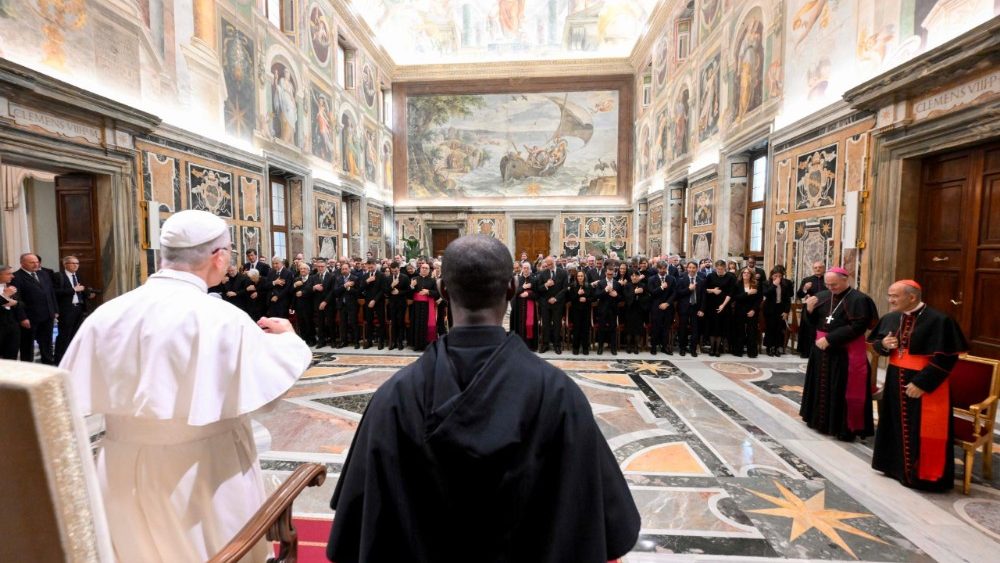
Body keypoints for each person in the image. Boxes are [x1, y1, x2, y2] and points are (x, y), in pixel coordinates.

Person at [326, 235, 640, 562]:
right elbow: (615, 530)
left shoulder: (393, 398)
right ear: (512, 289)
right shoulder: (560, 395)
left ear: (443, 291)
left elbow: (353, 534)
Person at [60, 209, 311, 562]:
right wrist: (289, 340)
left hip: (119, 470)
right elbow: (266, 397)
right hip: (204, 473)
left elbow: (72, 397)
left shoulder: (106, 314)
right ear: (218, 256)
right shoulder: (221, 318)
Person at [868, 280, 967, 491]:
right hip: (894, 380)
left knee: (920, 429)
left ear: (912, 297)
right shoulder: (891, 318)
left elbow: (947, 358)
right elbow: (875, 346)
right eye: (889, 295)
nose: (890, 300)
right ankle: (894, 468)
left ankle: (921, 476)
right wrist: (883, 344)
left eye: (895, 296)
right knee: (893, 424)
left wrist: (922, 383)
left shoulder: (940, 320)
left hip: (925, 383)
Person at [800, 267, 879, 441]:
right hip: (821, 352)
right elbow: (812, 322)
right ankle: (819, 422)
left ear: (845, 279)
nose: (830, 288)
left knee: (840, 389)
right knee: (820, 386)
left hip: (844, 353)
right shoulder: (822, 296)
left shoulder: (859, 300)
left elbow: (859, 326)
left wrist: (831, 339)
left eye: (834, 284)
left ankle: (842, 427)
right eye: (827, 284)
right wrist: (809, 310)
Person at [12, 252, 58, 364]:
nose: (36, 264)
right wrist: (22, 318)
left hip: (47, 315)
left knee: (47, 342)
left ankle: (48, 364)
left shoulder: (43, 274)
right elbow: (17, 299)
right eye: (32, 262)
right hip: (30, 317)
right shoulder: (16, 277)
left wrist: (55, 310)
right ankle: (27, 366)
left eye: (37, 262)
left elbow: (51, 293)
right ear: (22, 263)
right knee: (27, 344)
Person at [53, 255, 94, 363]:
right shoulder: (58, 276)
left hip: (79, 308)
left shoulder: (78, 275)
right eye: (73, 263)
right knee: (64, 335)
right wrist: (73, 290)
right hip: (66, 310)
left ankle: (73, 359)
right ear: (65, 264)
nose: (76, 265)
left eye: (77, 263)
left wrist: (87, 294)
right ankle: (60, 359)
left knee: (75, 335)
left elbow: (82, 289)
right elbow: (55, 292)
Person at [702, 260, 735, 357]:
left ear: (725, 268)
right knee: (712, 327)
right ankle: (712, 348)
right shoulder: (710, 276)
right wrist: (713, 290)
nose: (719, 271)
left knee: (720, 327)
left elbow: (730, 293)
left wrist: (723, 305)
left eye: (721, 269)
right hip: (711, 305)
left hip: (724, 305)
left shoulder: (730, 277)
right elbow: (703, 289)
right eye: (718, 269)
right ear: (715, 268)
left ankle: (717, 349)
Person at [536, 256, 567, 354]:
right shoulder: (543, 273)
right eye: (547, 264)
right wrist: (546, 285)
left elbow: (565, 288)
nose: (549, 266)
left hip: (558, 303)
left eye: (551, 264)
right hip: (545, 303)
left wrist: (556, 298)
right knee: (546, 324)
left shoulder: (563, 272)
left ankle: (557, 345)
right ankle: (545, 344)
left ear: (554, 262)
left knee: (557, 324)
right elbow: (539, 288)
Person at [796, 261, 827, 358]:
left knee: (822, 329)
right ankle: (806, 352)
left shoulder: (827, 279)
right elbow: (799, 294)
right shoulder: (807, 280)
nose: (818, 269)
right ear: (813, 269)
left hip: (824, 309)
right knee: (807, 330)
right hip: (810, 309)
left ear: (824, 268)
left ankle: (820, 351)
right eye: (815, 267)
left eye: (820, 267)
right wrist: (805, 288)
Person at [762, 267, 794, 356]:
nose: (777, 278)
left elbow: (787, 299)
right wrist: (774, 285)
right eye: (775, 276)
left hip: (781, 308)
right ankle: (769, 347)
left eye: (780, 276)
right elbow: (766, 293)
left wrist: (786, 311)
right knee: (770, 329)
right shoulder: (766, 283)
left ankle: (777, 347)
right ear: (771, 276)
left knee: (779, 329)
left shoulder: (785, 284)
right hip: (769, 309)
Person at [674, 261, 703, 357]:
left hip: (696, 308)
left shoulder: (701, 280)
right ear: (687, 268)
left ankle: (693, 349)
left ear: (697, 269)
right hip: (684, 307)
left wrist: (702, 309)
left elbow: (704, 297)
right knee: (683, 328)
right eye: (690, 267)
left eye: (693, 268)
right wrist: (689, 289)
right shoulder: (681, 279)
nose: (691, 269)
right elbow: (678, 293)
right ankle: (682, 348)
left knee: (695, 329)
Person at [732, 268, 762, 357]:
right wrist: (748, 293)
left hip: (752, 310)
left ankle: (752, 352)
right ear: (741, 274)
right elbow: (735, 297)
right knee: (739, 331)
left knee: (752, 331)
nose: (746, 274)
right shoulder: (737, 284)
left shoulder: (756, 284)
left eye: (748, 273)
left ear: (751, 275)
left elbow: (759, 299)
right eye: (744, 273)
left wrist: (753, 310)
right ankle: (738, 351)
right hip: (739, 310)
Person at [409, 262, 439, 351]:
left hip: (427, 306)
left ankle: (426, 344)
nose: (424, 269)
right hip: (416, 306)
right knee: (416, 323)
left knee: (426, 325)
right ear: (420, 269)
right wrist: (411, 286)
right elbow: (409, 294)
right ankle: (416, 344)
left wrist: (428, 292)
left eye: (426, 268)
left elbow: (437, 293)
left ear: (429, 270)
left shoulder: (432, 280)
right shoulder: (414, 279)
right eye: (423, 268)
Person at [331, 262, 361, 348]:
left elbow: (358, 292)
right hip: (342, 305)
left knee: (354, 323)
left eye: (346, 269)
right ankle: (344, 341)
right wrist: (345, 286)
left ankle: (356, 342)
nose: (344, 270)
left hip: (352, 305)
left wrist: (349, 288)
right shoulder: (338, 279)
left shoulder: (355, 278)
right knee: (343, 324)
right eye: (343, 269)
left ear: (349, 269)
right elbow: (335, 292)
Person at [648, 260, 675, 355]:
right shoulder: (651, 279)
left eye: (664, 268)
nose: (663, 270)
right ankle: (654, 347)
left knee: (666, 328)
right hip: (656, 307)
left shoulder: (671, 279)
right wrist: (661, 287)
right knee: (655, 328)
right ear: (657, 269)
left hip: (668, 307)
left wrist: (667, 303)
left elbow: (674, 293)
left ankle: (664, 347)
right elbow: (651, 292)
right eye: (661, 268)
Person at [510, 261, 538, 350]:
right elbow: (514, 293)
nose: (525, 270)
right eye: (524, 268)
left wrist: (528, 294)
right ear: (522, 269)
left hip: (530, 307)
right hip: (518, 307)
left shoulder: (534, 280)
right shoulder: (517, 280)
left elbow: (537, 294)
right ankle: (519, 345)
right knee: (519, 325)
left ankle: (529, 346)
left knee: (529, 325)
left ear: (530, 269)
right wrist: (523, 287)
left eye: (527, 268)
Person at [594, 265, 621, 355]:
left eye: (611, 274)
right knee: (601, 329)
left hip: (613, 310)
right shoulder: (600, 283)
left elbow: (621, 298)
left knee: (613, 329)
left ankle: (613, 348)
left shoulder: (617, 284)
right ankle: (600, 347)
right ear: (605, 273)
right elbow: (597, 295)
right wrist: (605, 291)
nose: (610, 276)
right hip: (603, 310)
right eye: (608, 274)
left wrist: (616, 295)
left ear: (614, 273)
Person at [385, 262, 411, 350]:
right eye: (392, 271)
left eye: (395, 271)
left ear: (399, 269)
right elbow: (386, 291)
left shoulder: (405, 277)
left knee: (400, 322)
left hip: (401, 303)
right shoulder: (388, 278)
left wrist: (399, 292)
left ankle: (400, 342)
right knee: (393, 322)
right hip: (392, 304)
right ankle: (393, 342)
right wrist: (392, 286)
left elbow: (408, 290)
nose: (394, 273)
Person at [360, 259, 385, 349]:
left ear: (375, 265)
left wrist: (374, 300)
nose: (370, 269)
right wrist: (367, 281)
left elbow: (383, 290)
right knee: (369, 321)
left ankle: (381, 342)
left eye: (371, 267)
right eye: (369, 267)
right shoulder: (365, 276)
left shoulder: (381, 275)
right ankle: (369, 341)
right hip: (368, 302)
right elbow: (361, 288)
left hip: (379, 301)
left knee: (381, 322)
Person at [623, 270, 649, 355]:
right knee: (629, 329)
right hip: (629, 310)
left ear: (639, 277)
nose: (634, 277)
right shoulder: (627, 286)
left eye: (636, 276)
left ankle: (636, 346)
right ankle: (628, 346)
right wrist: (634, 292)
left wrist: (641, 294)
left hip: (639, 310)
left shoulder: (643, 285)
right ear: (630, 277)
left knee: (638, 329)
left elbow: (647, 298)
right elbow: (626, 297)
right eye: (633, 276)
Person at [568, 269, 593, 355]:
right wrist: (578, 294)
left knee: (585, 330)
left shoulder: (588, 286)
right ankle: (576, 347)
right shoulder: (573, 286)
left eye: (581, 276)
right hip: (576, 311)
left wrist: (586, 299)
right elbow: (570, 298)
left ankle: (585, 348)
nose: (580, 277)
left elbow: (593, 298)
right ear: (576, 277)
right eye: (578, 276)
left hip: (586, 311)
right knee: (576, 330)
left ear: (584, 277)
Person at [0, 265, 21, 360]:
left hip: (12, 325)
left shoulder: (10, 287)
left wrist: (14, 302)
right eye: (8, 274)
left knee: (12, 356)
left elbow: (21, 303)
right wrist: (5, 296)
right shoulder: (8, 290)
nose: (12, 276)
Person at [292, 262, 316, 345]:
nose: (302, 270)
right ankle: (304, 339)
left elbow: (312, 289)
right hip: (299, 305)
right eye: (301, 269)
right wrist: (295, 285)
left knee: (309, 322)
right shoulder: (296, 279)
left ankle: (312, 339)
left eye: (304, 269)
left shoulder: (312, 278)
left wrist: (303, 292)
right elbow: (290, 291)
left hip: (309, 304)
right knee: (301, 323)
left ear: (308, 270)